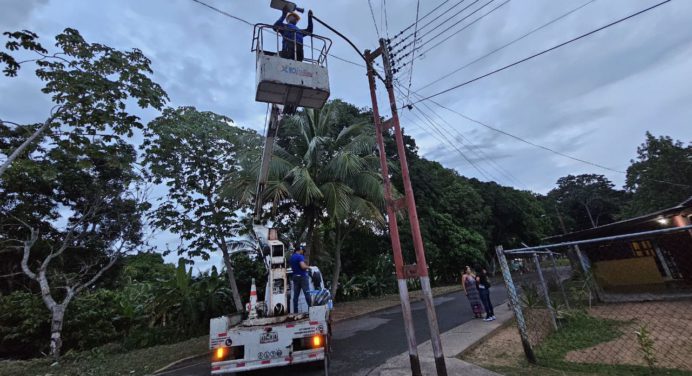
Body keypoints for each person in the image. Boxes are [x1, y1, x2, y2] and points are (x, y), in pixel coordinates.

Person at [289, 245, 311, 313]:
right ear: (300, 249)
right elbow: (302, 266)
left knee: (296, 296)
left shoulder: (292, 257)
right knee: (307, 294)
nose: (303, 253)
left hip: (295, 277)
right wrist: (309, 267)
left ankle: (295, 312)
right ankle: (311, 310)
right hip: (302, 277)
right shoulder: (300, 256)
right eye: (303, 251)